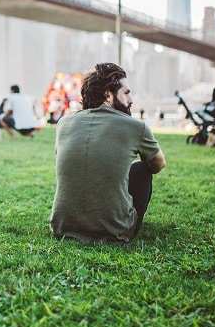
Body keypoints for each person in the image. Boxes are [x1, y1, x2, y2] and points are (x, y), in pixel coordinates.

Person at [49, 63, 166, 244]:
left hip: (62, 226)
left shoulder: (64, 123)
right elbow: (158, 164)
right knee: (142, 169)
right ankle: (118, 219)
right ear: (107, 94)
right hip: (115, 230)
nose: (131, 100)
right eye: (126, 93)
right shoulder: (135, 126)